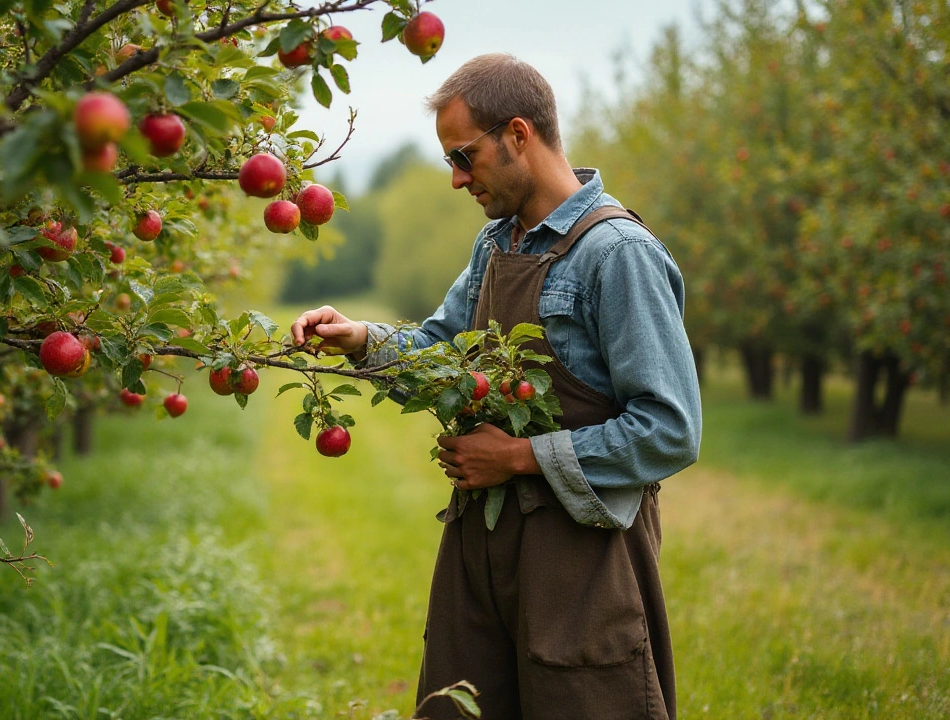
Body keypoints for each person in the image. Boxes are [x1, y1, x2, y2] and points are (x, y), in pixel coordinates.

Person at [291, 54, 702, 719]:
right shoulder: (496, 245)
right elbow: (442, 354)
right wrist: (362, 339)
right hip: (481, 551)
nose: (456, 179)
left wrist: (516, 457)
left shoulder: (617, 255)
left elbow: (670, 429)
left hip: (582, 564)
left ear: (518, 134)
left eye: (464, 156)